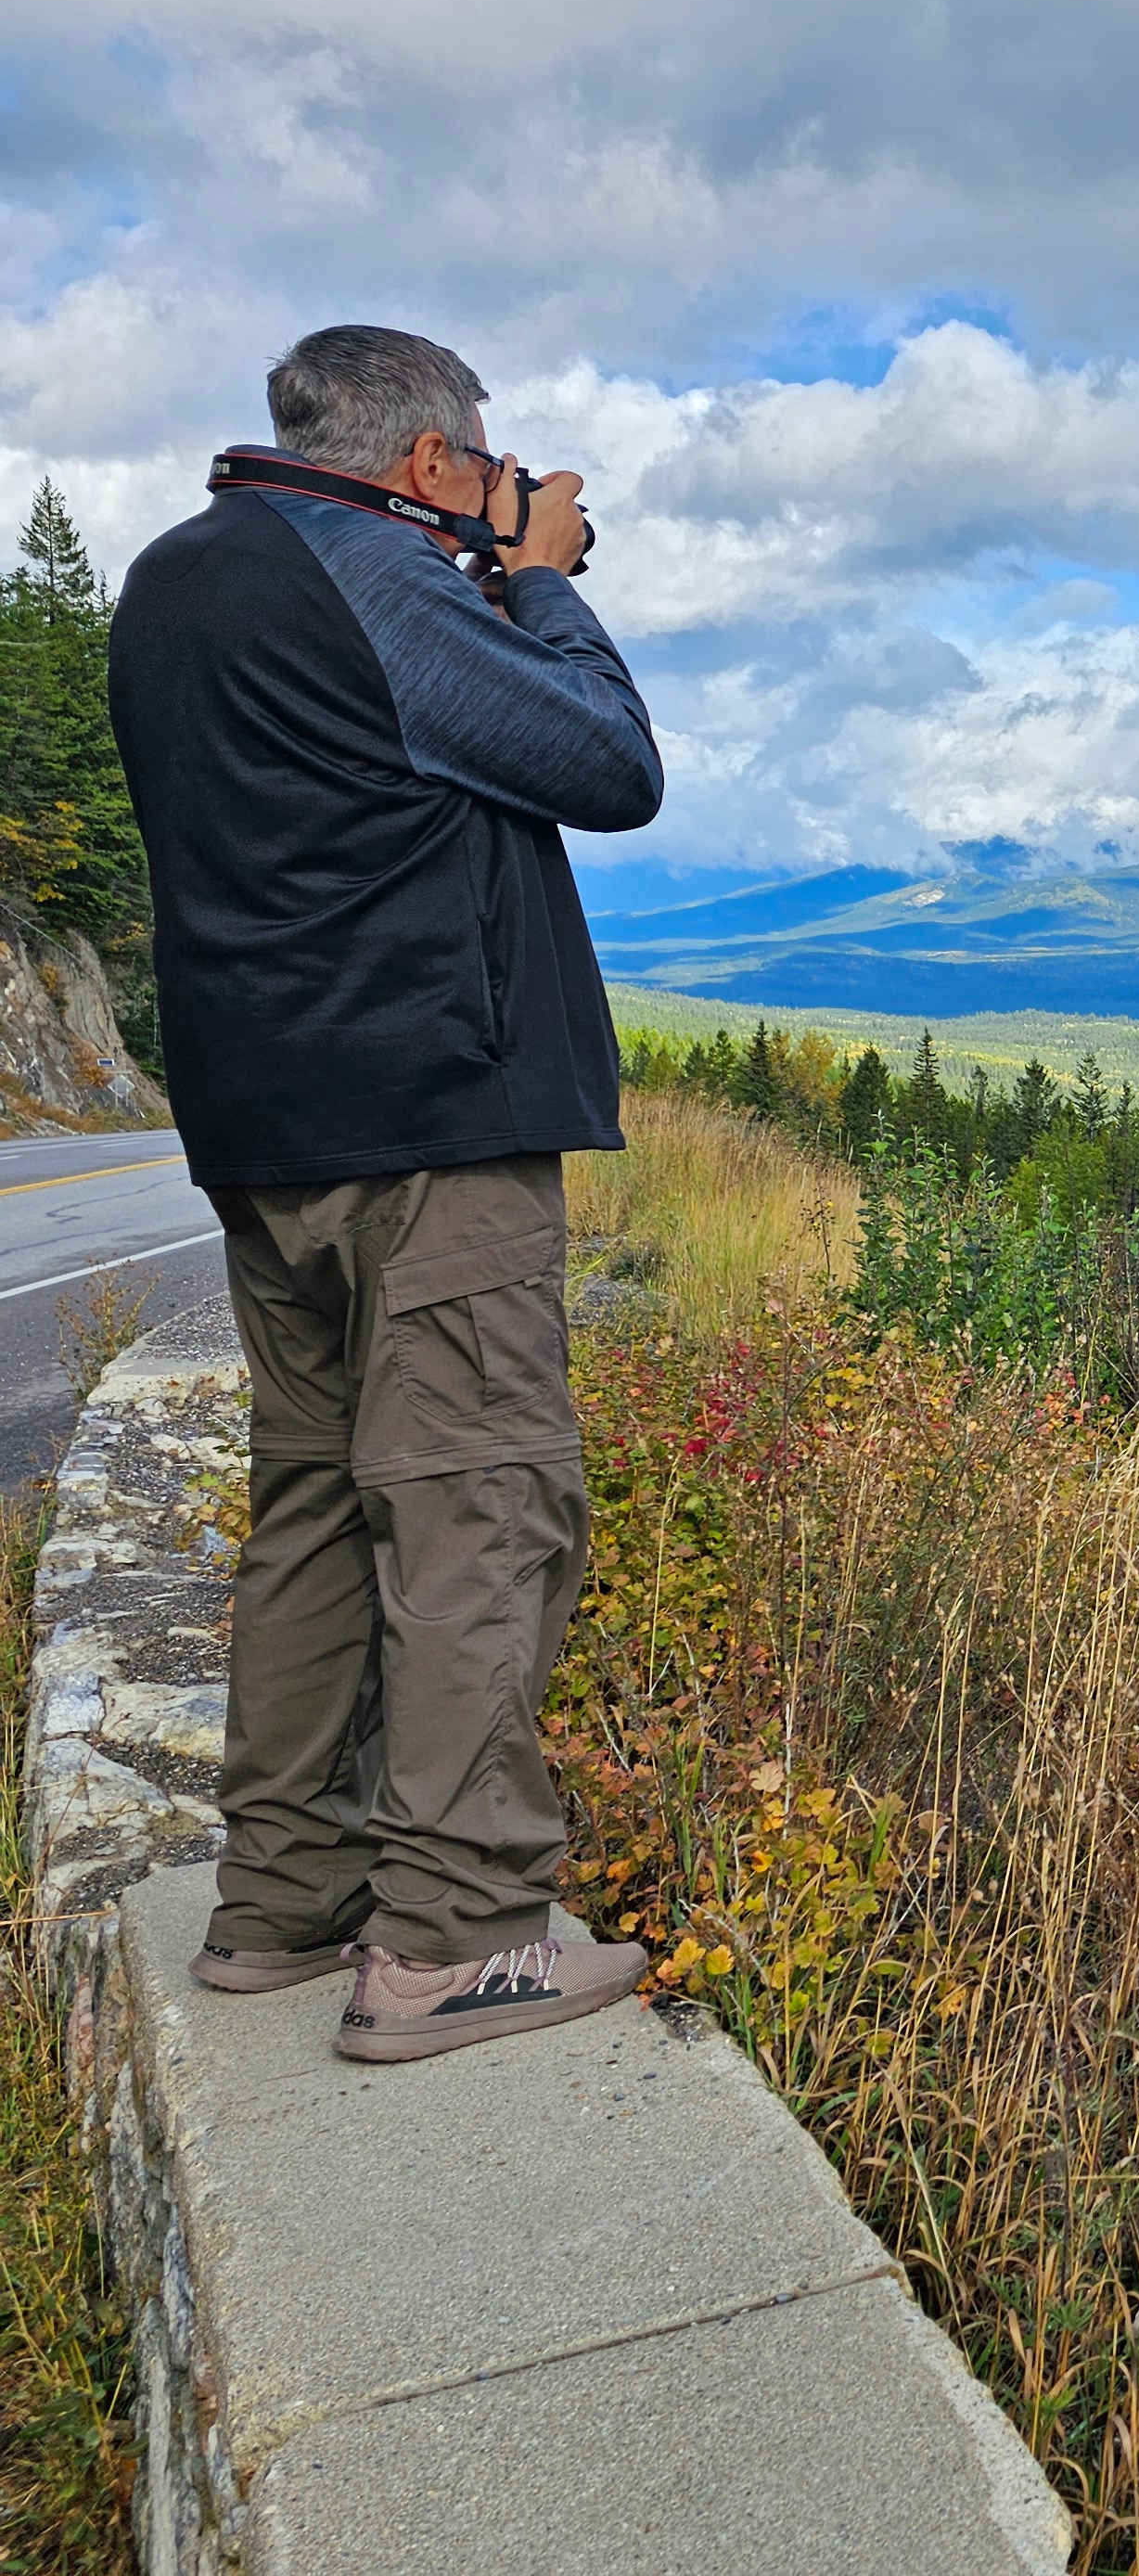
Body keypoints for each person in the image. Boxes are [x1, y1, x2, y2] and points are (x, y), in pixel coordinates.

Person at [108, 324, 659, 2060]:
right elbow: (609, 765)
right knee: (478, 1508)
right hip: (428, 1121)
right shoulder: (374, 573)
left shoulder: (174, 577)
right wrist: (540, 579)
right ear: (427, 461)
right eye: (484, 460)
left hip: (265, 1124)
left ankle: (281, 1899)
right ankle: (457, 1938)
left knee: (317, 1508)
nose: (498, 484)